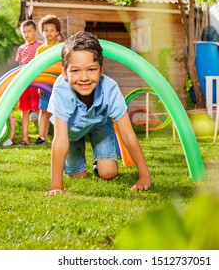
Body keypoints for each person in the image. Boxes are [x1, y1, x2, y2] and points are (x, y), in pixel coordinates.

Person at [45, 31, 151, 196]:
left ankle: (100, 163)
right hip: (71, 133)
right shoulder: (61, 91)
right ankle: (77, 164)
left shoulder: (110, 88)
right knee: (78, 176)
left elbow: (128, 135)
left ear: (101, 70)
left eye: (91, 69)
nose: (84, 77)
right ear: (64, 73)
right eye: (76, 71)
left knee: (108, 173)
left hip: (99, 124)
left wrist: (144, 176)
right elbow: (60, 140)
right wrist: (56, 186)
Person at [34, 15, 62, 145]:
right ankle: (41, 137)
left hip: (58, 82)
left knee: (58, 110)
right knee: (44, 110)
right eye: (46, 30)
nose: (49, 33)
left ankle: (59, 136)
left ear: (57, 32)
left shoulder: (60, 47)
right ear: (42, 32)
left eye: (52, 30)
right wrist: (39, 86)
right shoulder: (40, 49)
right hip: (45, 82)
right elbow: (37, 68)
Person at [15, 20, 42, 145]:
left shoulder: (40, 46)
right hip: (24, 83)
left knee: (38, 109)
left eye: (29, 31)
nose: (26, 34)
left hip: (37, 82)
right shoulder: (21, 48)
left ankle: (41, 138)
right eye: (24, 32)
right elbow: (20, 65)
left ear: (35, 32)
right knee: (24, 110)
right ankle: (25, 138)